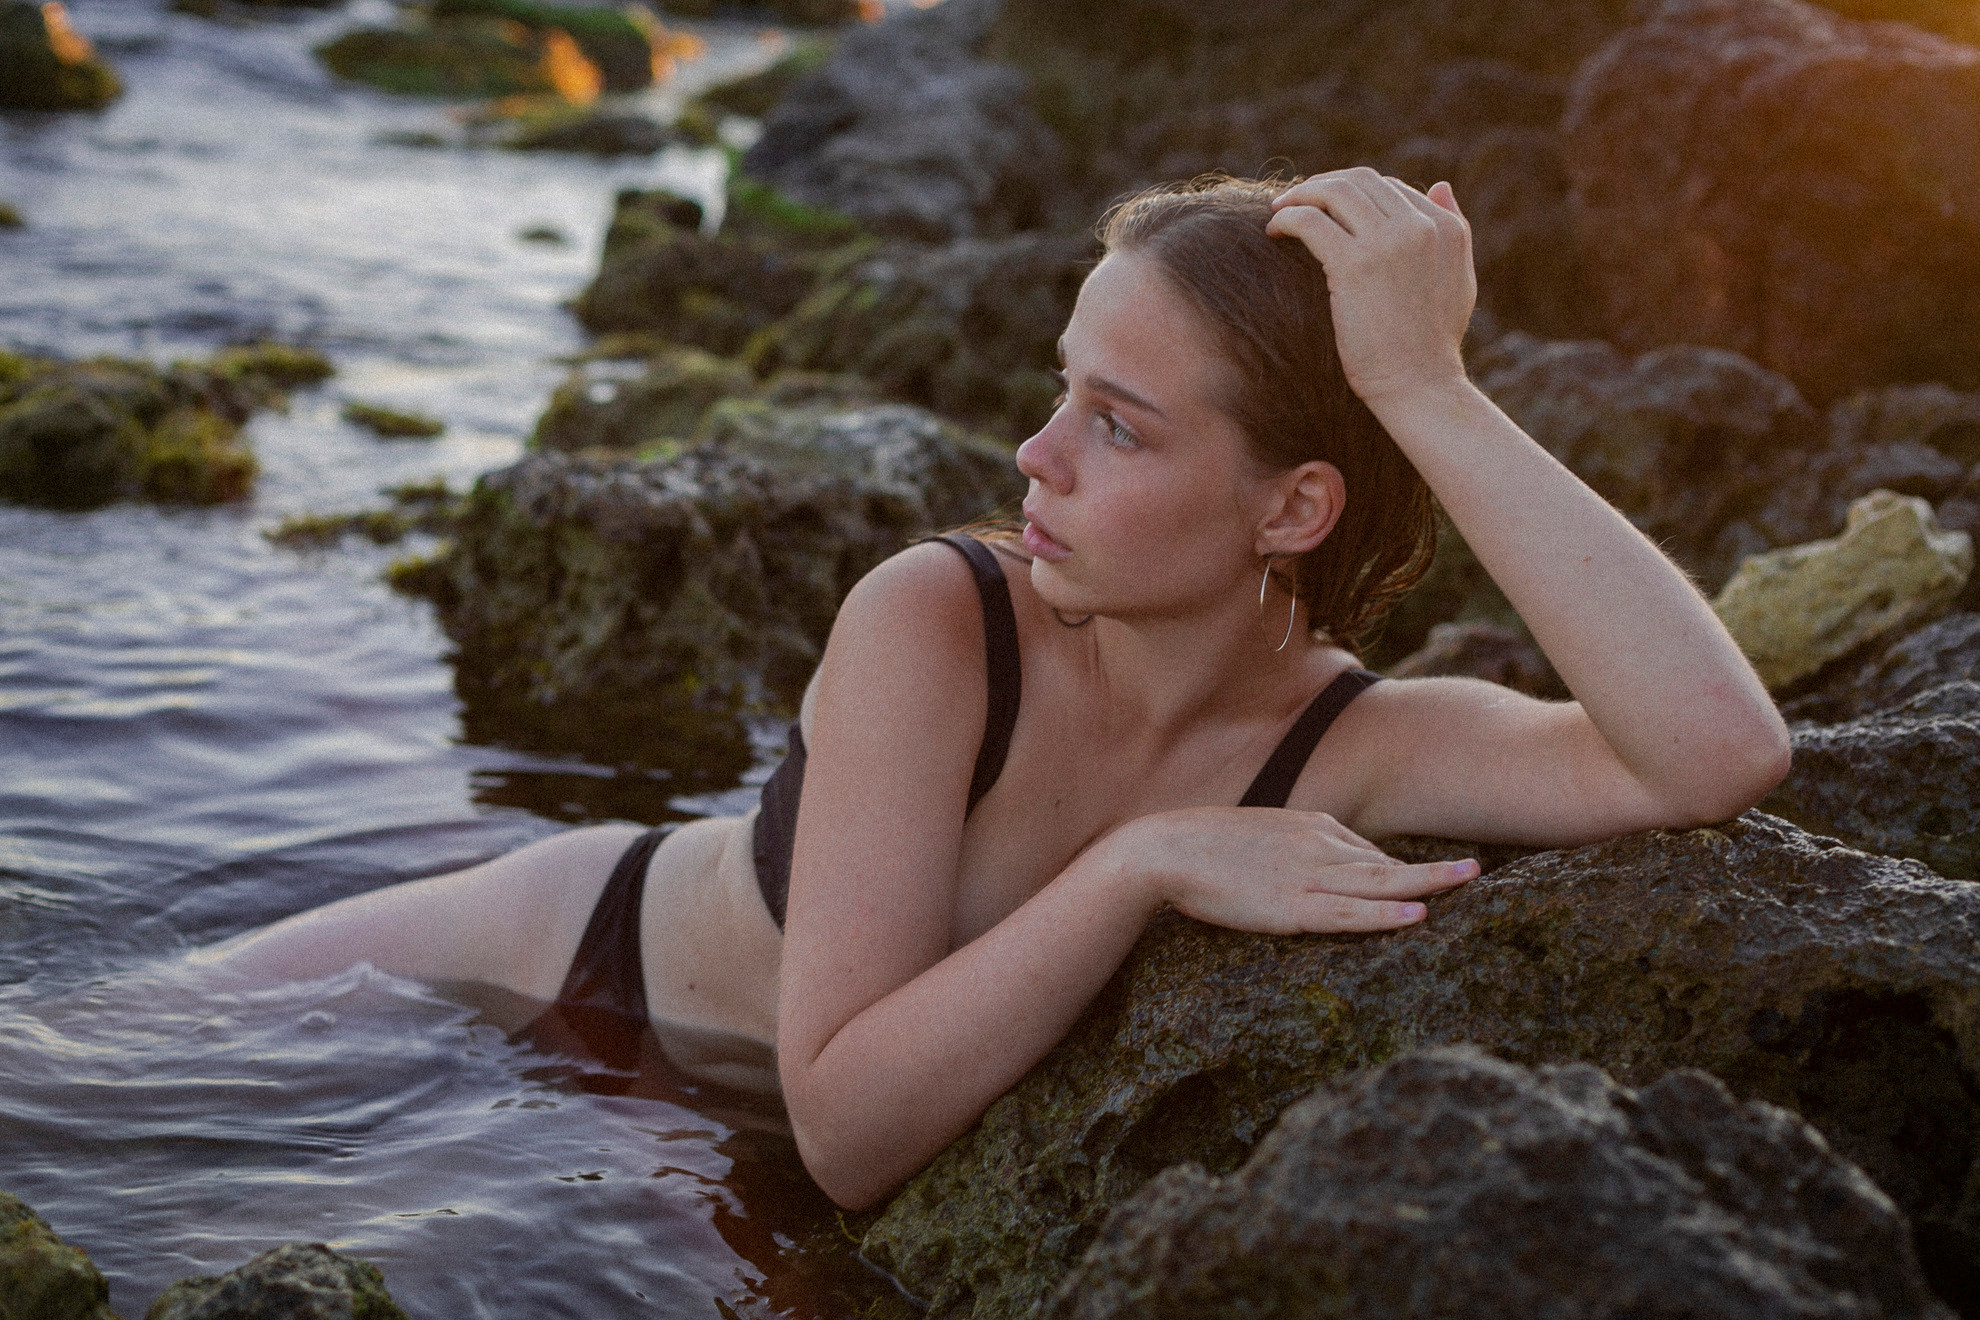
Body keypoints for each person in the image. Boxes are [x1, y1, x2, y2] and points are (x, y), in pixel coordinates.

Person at [205, 170, 1792, 1211]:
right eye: (1061, 390)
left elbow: (1713, 752)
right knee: (74, 1084)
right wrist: (1143, 864)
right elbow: (842, 1123)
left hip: (697, 1132)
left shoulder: (1349, 742)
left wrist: (1423, 385)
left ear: (1291, 508)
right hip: (551, 975)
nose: (1032, 456)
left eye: (1119, 424)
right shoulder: (938, 621)